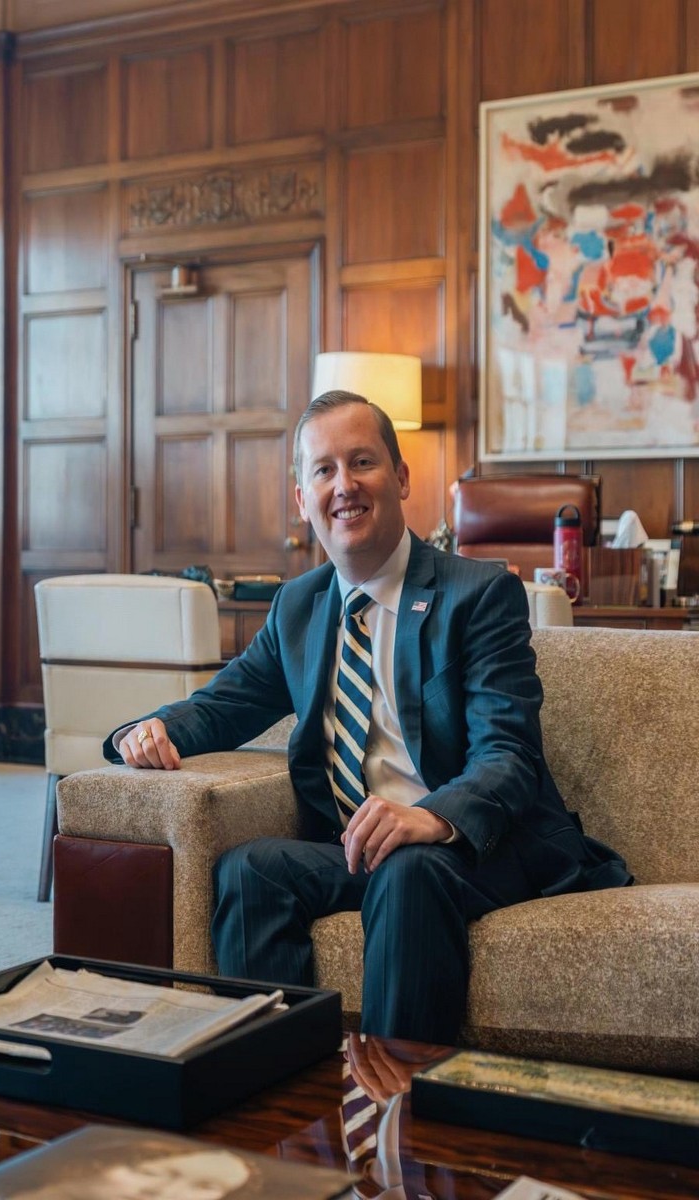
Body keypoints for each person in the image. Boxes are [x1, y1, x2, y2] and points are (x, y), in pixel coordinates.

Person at [105, 390, 629, 1043]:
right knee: (251, 870)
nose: (344, 486)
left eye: (362, 462)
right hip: (362, 847)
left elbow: (509, 756)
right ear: (303, 500)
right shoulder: (298, 607)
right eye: (324, 470)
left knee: (410, 870)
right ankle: (278, 1082)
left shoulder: (478, 595)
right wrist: (148, 730)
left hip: (481, 845)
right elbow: (225, 703)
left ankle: (395, 1100)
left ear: (401, 477)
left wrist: (430, 817)